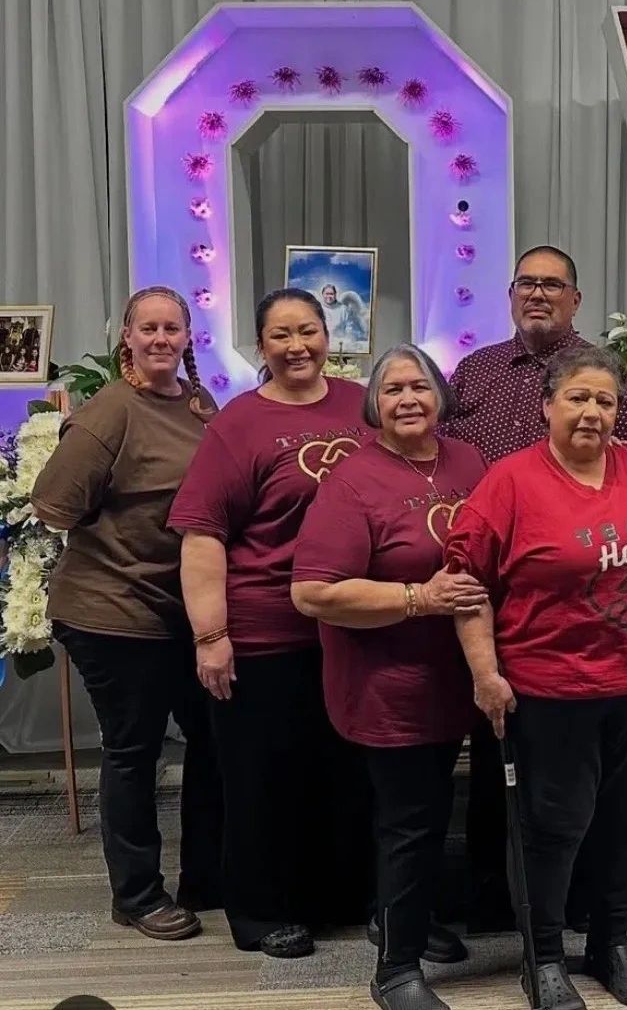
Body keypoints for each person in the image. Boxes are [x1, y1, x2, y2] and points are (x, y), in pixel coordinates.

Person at [446, 346, 627, 1010]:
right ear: (547, 406)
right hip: (551, 689)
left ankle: (610, 939)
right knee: (553, 824)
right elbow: (465, 582)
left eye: (606, 401)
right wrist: (484, 672)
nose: (593, 411)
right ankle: (543, 953)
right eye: (579, 398)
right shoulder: (509, 483)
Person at [442, 245, 627, 933]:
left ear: (576, 298)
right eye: (527, 283)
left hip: (584, 602)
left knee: (581, 784)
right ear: (509, 295)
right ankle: (494, 899)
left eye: (553, 284)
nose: (539, 294)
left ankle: (579, 909)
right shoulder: (473, 371)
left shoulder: (604, 378)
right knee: (496, 754)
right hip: (487, 591)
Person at [168, 287, 375, 959]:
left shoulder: (360, 405)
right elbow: (202, 535)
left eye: (308, 331)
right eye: (280, 334)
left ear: (328, 336)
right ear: (261, 346)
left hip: (351, 628)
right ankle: (258, 910)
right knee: (262, 778)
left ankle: (336, 896)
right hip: (265, 633)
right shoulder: (239, 424)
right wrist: (210, 635)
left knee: (341, 771)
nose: (297, 346)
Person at [291, 344, 485, 1010]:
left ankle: (405, 918)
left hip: (456, 677)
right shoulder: (352, 481)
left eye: (420, 386)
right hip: (386, 685)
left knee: (429, 814)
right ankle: (395, 969)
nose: (408, 399)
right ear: (374, 402)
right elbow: (313, 592)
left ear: (439, 397)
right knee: (410, 819)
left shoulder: (467, 461)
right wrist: (417, 599)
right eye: (394, 388)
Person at [30, 286, 220, 941]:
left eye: (173, 326)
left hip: (182, 609)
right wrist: (118, 537)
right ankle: (136, 895)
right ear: (128, 341)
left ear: (188, 336)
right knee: (134, 752)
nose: (162, 337)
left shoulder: (198, 405)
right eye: (150, 328)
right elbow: (52, 503)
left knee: (213, 740)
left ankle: (208, 873)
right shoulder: (110, 410)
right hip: (112, 609)